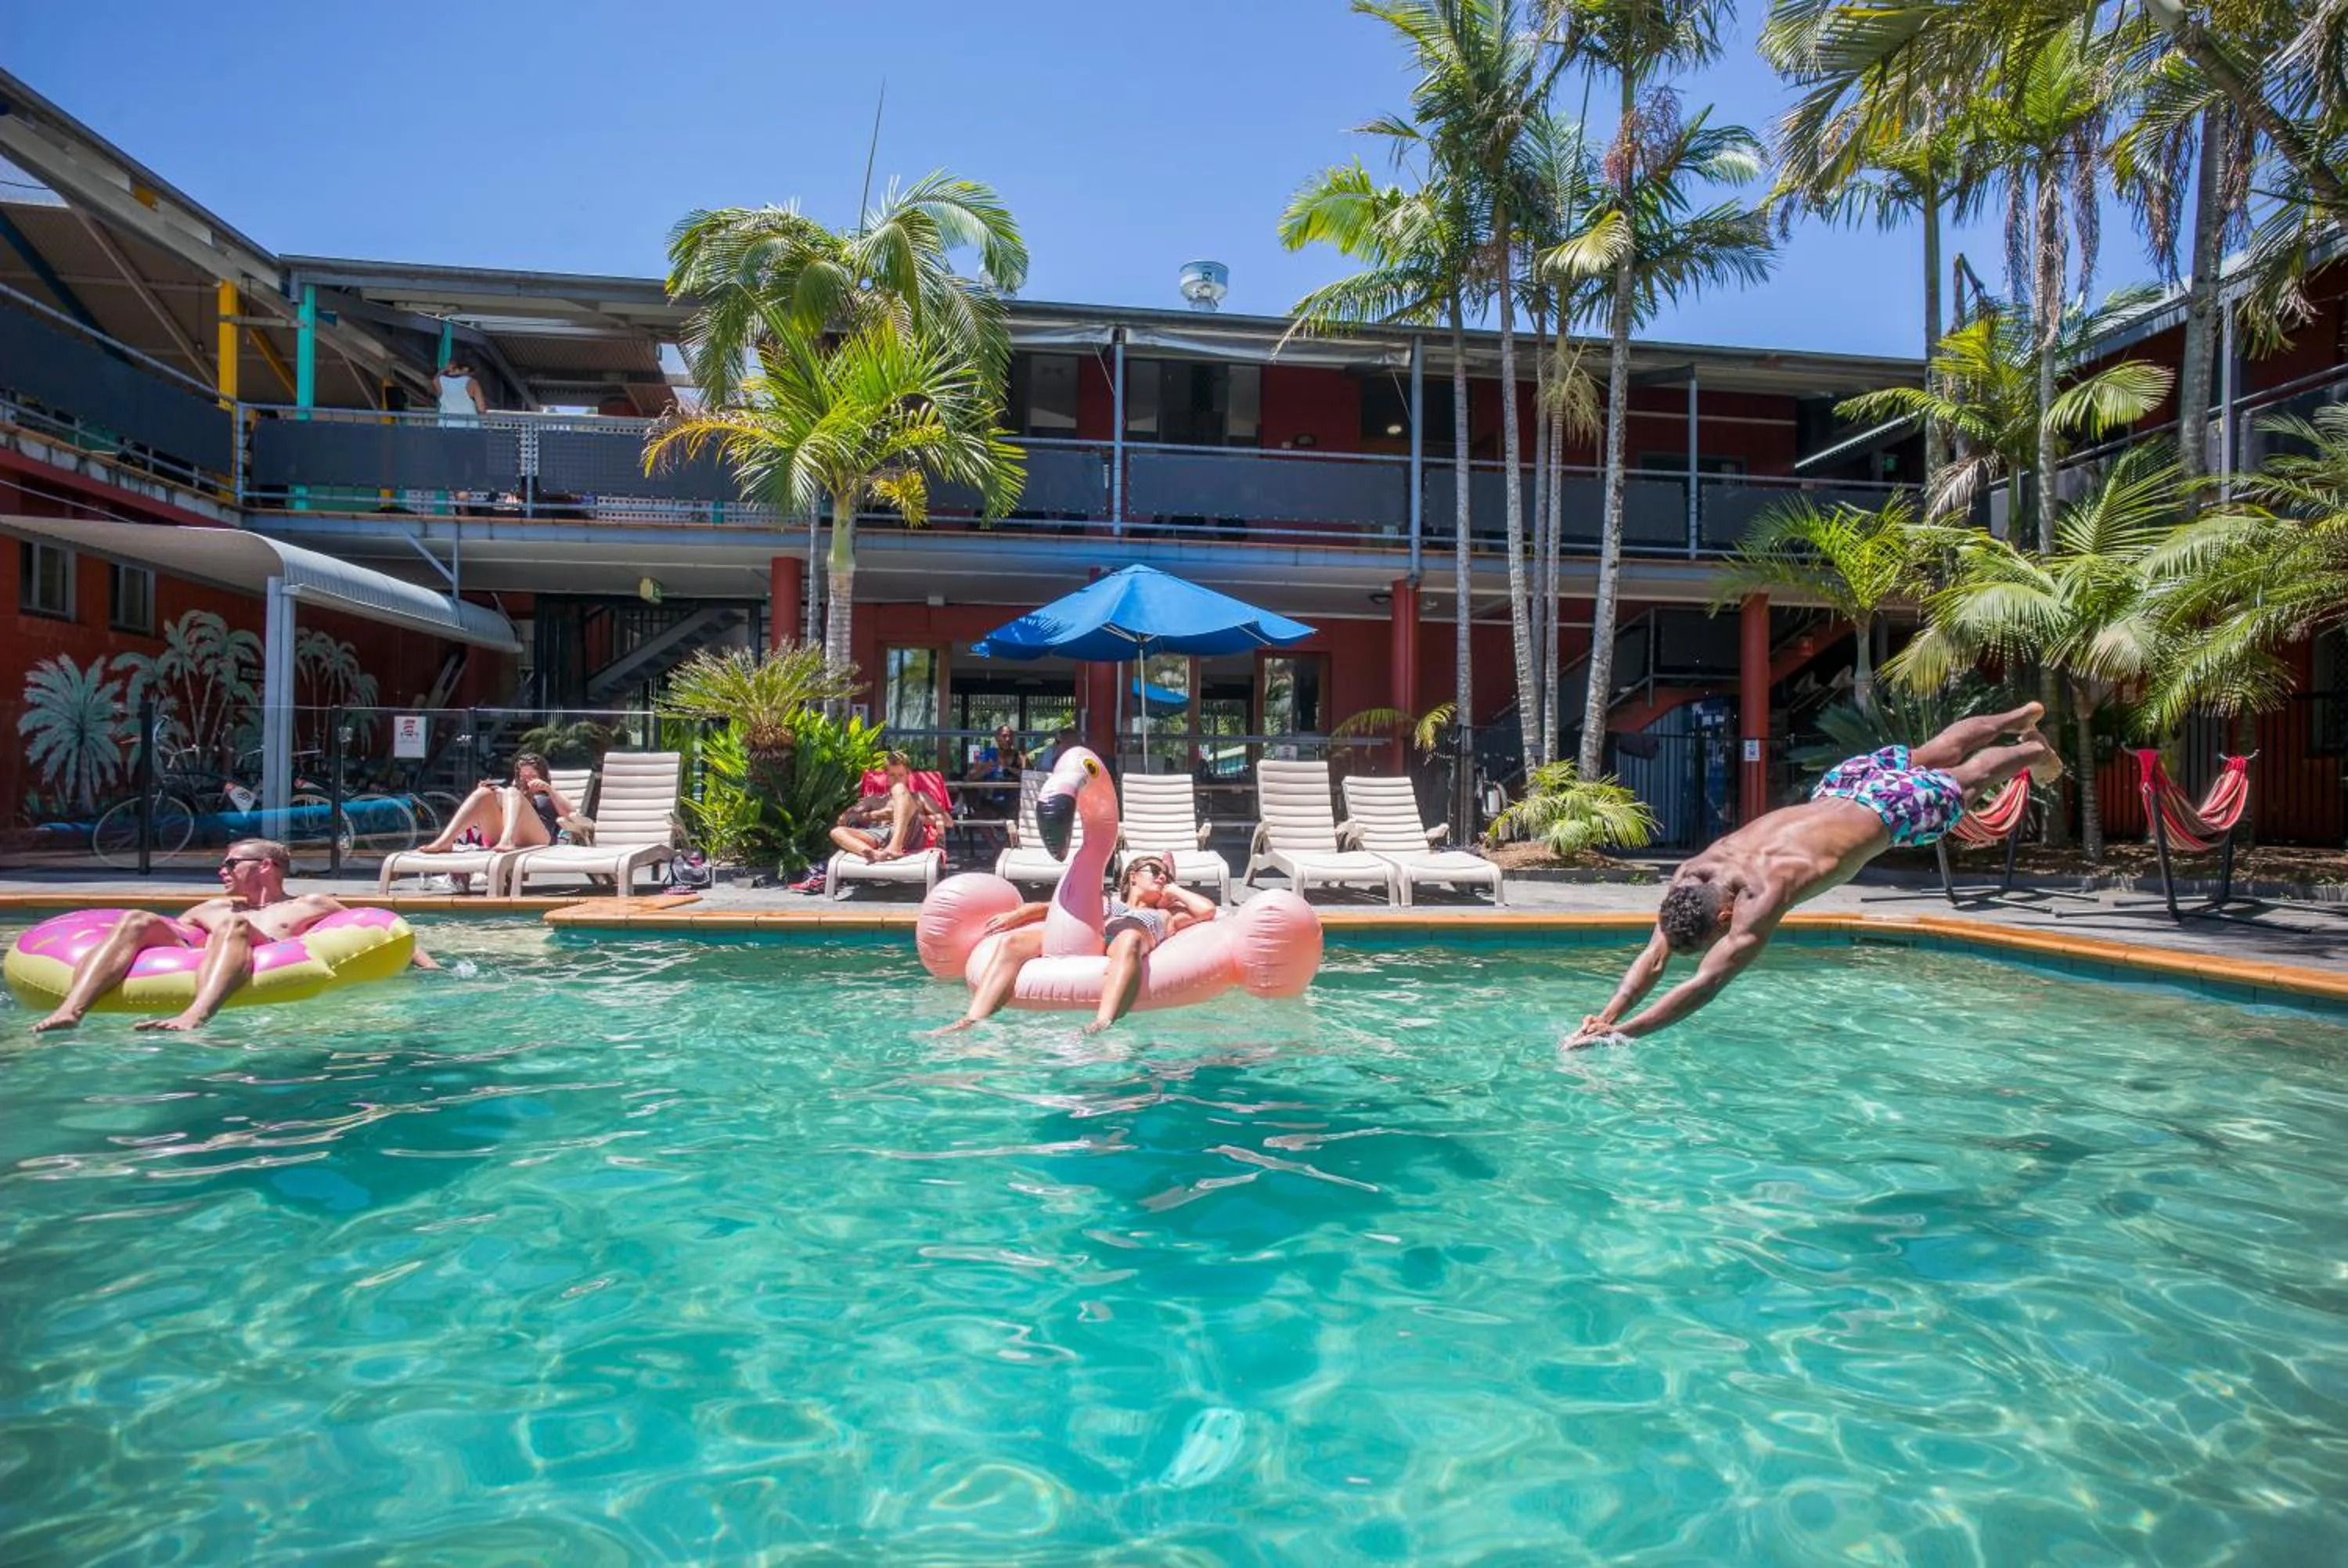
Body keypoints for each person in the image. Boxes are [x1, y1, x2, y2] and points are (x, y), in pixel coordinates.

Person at [1567, 703, 2063, 1048]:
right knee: (1933, 751)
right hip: (1837, 790)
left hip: (1886, 813)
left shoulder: (1763, 898)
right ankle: (2015, 720)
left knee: (1968, 779)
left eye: (1719, 932)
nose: (1726, 934)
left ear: (1724, 914)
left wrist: (1622, 1032)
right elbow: (1656, 958)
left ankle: (2032, 753)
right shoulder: (1693, 875)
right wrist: (1607, 1013)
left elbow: (1702, 987)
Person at [31, 838, 438, 1034]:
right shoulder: (209, 909)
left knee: (235, 925)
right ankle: (73, 1009)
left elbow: (372, 929)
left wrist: (430, 968)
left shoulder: (310, 905)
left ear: (265, 866)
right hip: (210, 957)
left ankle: (196, 1015)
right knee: (137, 918)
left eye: (230, 863)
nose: (221, 871)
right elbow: (177, 940)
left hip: (265, 962)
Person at [939, 853, 1218, 1035]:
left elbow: (1206, 911)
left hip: (1124, 941)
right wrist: (1018, 914)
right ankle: (971, 1020)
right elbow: (1054, 909)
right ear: (1132, 876)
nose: (1160, 877)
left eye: (1165, 876)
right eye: (1154, 871)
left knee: (1130, 937)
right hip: (1089, 938)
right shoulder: (1107, 901)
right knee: (1013, 942)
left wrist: (1174, 889)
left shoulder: (1166, 915)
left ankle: (1102, 1023)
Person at [416, 751, 574, 857]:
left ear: (543, 776)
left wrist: (549, 790)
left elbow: (571, 814)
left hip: (539, 839)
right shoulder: (512, 793)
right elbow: (493, 814)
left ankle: (508, 839)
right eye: (524, 776)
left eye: (532, 775)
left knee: (511, 792)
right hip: (501, 836)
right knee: (483, 793)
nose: (528, 779)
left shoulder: (550, 793)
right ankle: (445, 841)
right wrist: (493, 796)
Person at [824, 751, 945, 865]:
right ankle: (875, 854)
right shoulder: (874, 799)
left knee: (899, 789)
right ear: (886, 776)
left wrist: (910, 816)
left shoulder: (920, 797)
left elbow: (947, 821)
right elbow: (843, 820)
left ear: (908, 774)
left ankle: (895, 846)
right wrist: (878, 815)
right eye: (892, 775)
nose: (897, 779)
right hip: (880, 835)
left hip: (912, 835)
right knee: (836, 832)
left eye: (901, 775)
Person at [433, 357, 488, 426]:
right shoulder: (472, 383)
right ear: (466, 369)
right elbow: (482, 408)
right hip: (468, 426)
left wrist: (444, 370)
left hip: (446, 424)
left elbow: (435, 379)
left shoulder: (440, 381)